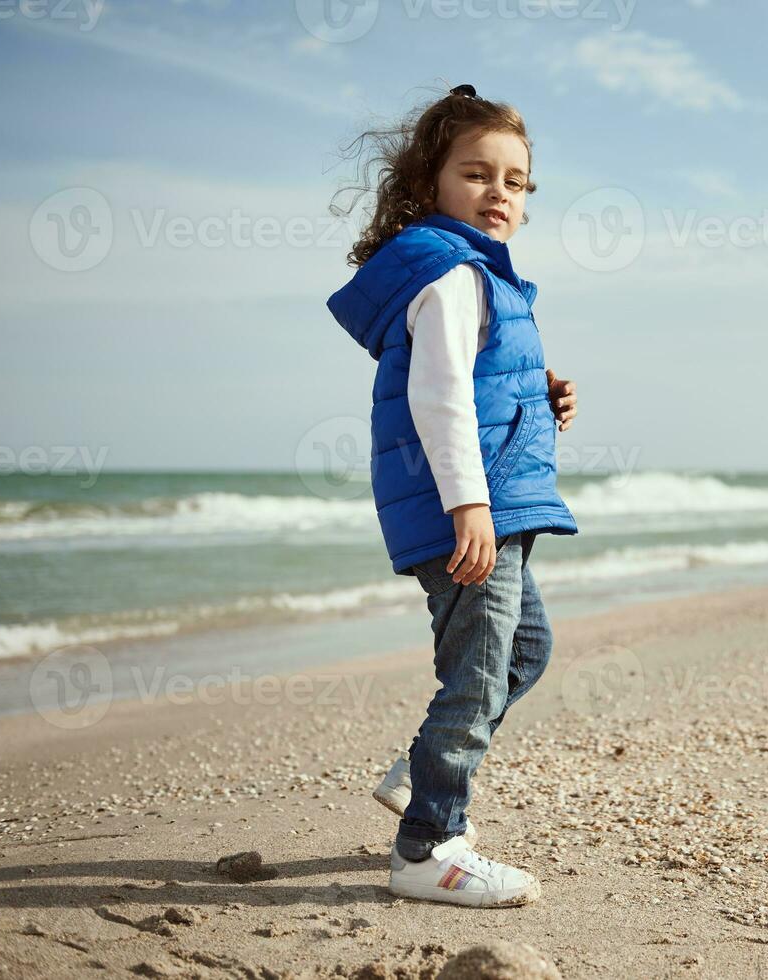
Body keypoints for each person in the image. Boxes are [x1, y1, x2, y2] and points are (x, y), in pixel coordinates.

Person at [326, 82, 579, 907]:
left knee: (523, 652)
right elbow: (437, 397)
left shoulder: (476, 278)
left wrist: (539, 396)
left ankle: (422, 773)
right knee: (475, 675)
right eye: (477, 174)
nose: (498, 193)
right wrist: (468, 505)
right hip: (468, 511)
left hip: (491, 501)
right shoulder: (453, 274)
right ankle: (427, 847)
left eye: (515, 181)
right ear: (429, 181)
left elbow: (475, 383)